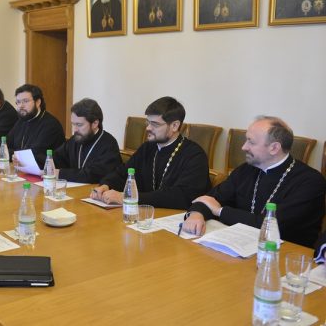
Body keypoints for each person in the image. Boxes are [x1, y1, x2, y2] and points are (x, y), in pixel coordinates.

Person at [183, 116, 326, 248]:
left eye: (251, 141)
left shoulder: (310, 182)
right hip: (238, 247)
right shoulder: (248, 169)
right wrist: (197, 213)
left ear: (274, 148)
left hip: (283, 255)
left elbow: (272, 227)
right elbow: (212, 198)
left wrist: (220, 211)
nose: (244, 147)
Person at [91, 97, 210, 209]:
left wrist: (129, 198)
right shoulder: (148, 148)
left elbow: (181, 196)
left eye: (155, 124)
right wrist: (106, 185)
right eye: (147, 122)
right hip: (145, 215)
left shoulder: (194, 156)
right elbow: (123, 173)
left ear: (174, 126)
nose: (148, 128)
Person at [0, 84, 65, 167]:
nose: (21, 106)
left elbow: (32, 154)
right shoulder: (22, 120)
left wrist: (2, 154)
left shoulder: (50, 125)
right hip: (22, 170)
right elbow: (8, 141)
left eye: (25, 101)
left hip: (45, 175)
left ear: (38, 102)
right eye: (18, 102)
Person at [53, 98, 122, 183]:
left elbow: (93, 175)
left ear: (95, 123)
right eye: (73, 124)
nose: (75, 129)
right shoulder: (75, 140)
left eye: (79, 125)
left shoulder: (109, 144)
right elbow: (56, 158)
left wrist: (60, 173)